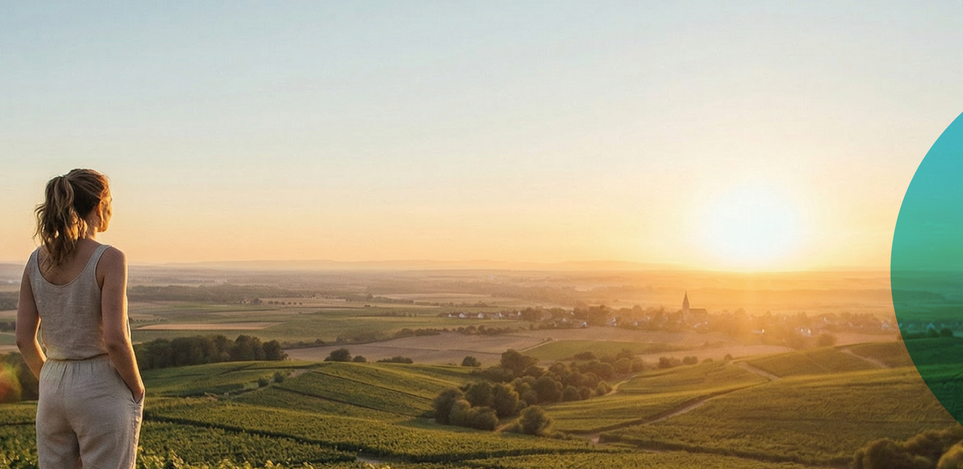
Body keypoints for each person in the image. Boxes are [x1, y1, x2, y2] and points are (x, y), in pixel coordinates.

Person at [16, 169, 144, 469]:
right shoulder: (110, 258)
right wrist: (137, 388)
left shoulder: (35, 260)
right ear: (100, 206)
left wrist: (51, 378)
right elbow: (115, 339)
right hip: (101, 383)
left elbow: (23, 338)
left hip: (52, 383)